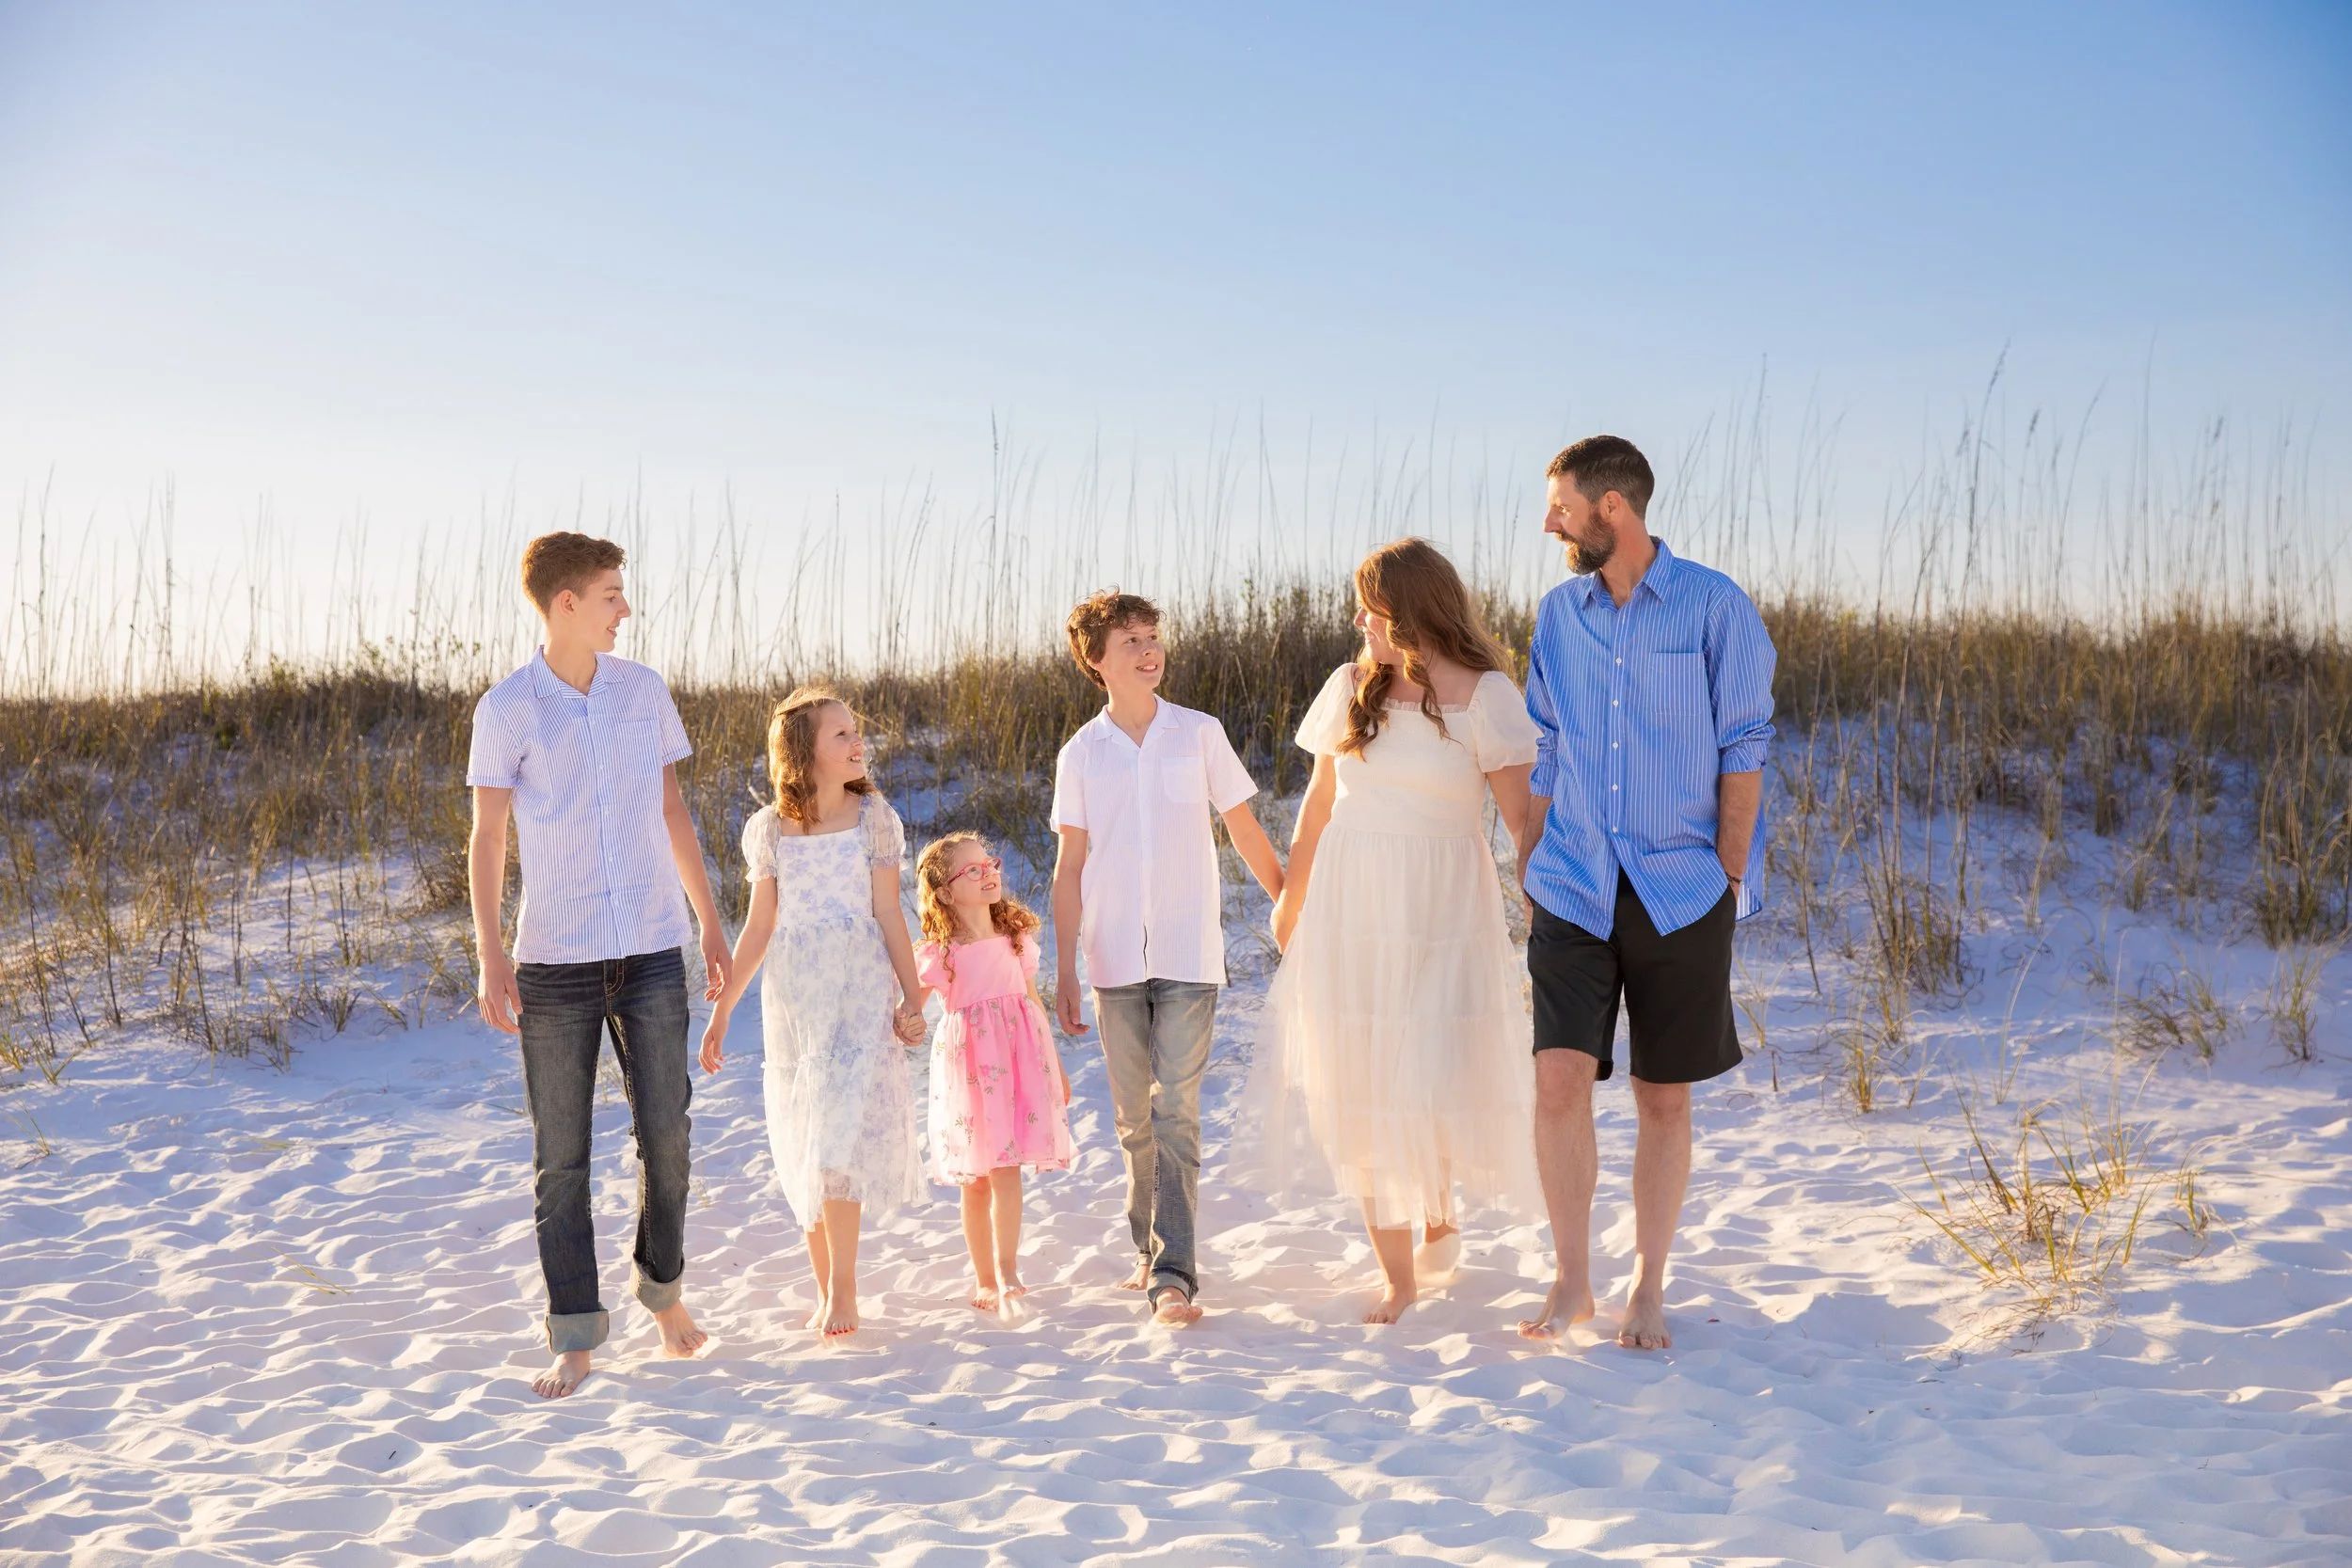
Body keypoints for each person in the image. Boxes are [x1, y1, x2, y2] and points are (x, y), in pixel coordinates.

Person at [1517, 435, 1776, 1350]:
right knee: (1558, 1081)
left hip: (1681, 887)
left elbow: (1745, 744)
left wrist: (1729, 873)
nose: (1550, 523)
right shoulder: (1559, 614)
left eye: (1561, 505)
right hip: (1572, 879)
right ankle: (1571, 1277)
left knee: (1662, 1096)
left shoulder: (1715, 606)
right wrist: (1530, 858)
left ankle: (1648, 1286)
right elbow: (1546, 741)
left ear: (1612, 507)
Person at [1245, 539, 1543, 1323]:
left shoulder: (1485, 695)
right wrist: (1291, 896)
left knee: (1432, 1069)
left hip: (1445, 909)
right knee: (1363, 1077)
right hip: (1353, 905)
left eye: (1369, 609)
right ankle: (1397, 1278)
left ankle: (1439, 1206)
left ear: (1411, 612)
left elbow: (1522, 820)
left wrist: (1541, 902)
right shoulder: (1352, 685)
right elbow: (1317, 804)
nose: (1358, 623)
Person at [466, 531, 732, 1400]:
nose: (625, 608)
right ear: (567, 603)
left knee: (669, 1137)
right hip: (554, 962)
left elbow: (672, 809)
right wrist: (491, 952)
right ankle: (575, 1332)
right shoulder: (508, 708)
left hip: (652, 945)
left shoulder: (642, 690)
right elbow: (488, 836)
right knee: (562, 1158)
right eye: (612, 594)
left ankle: (662, 1292)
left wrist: (710, 922)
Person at [1049, 590, 1285, 1326]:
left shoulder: (1200, 732)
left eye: (1153, 636)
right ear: (1096, 659)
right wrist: (1065, 967)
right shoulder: (1081, 754)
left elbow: (1243, 826)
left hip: (1189, 951)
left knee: (1175, 1110)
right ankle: (1148, 1249)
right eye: (1131, 640)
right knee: (1134, 1121)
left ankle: (1173, 1275)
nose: (1149, 649)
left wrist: (1286, 901)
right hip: (1111, 955)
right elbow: (1069, 865)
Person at [699, 689, 928, 1339]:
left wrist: (912, 996)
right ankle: (824, 1287)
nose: (858, 742)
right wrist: (723, 1010)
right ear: (803, 753)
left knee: (839, 1139)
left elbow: (889, 912)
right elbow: (759, 926)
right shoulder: (770, 830)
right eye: (841, 735)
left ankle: (844, 1290)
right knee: (806, 1137)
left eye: (856, 731)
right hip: (796, 1000)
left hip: (858, 988)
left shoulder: (874, 818)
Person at [911, 832, 1074, 1316]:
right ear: (945, 893)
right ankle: (984, 1278)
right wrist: (902, 1020)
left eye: (990, 864)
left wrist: (1056, 1069)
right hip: (970, 1072)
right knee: (976, 1180)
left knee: (1006, 1169)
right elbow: (910, 1011)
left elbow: (1034, 1005)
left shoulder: (1016, 939)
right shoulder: (940, 954)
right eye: (973, 870)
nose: (988, 874)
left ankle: (1006, 1269)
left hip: (1019, 1063)